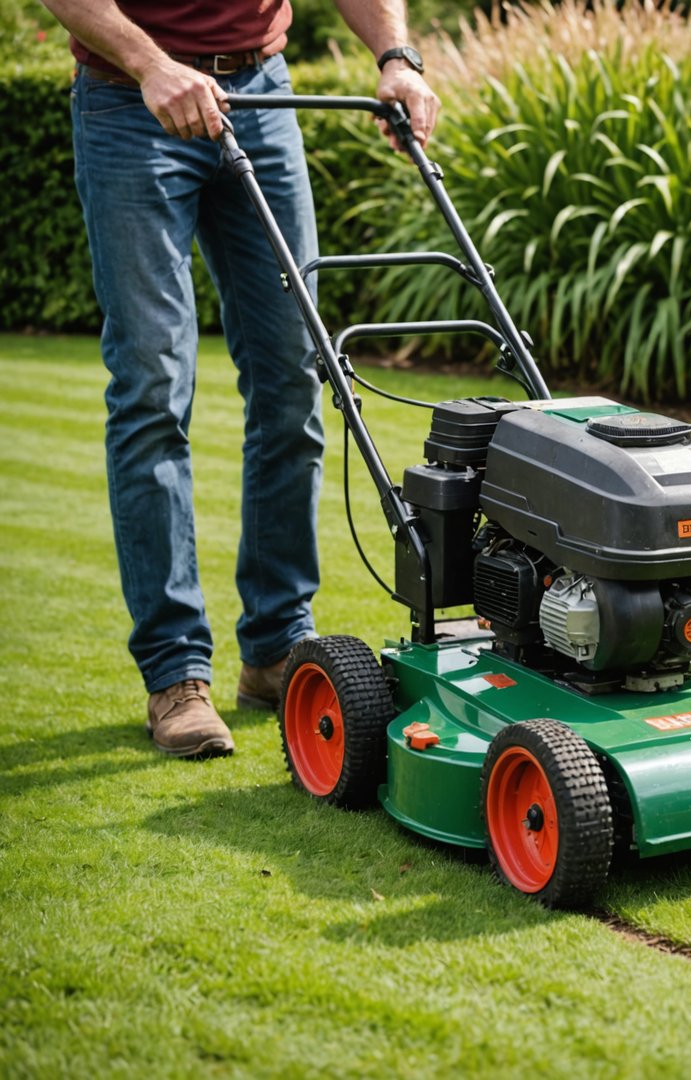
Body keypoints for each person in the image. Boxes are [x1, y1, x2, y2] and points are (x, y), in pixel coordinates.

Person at [40, 1, 440, 758]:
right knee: (153, 387)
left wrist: (397, 56)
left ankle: (277, 645)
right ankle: (176, 674)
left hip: (261, 96)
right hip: (132, 101)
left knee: (294, 378)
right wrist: (150, 64)